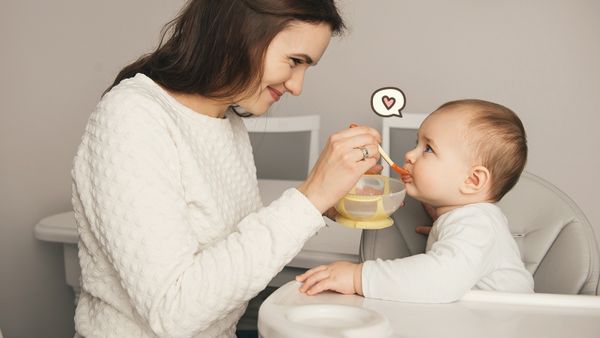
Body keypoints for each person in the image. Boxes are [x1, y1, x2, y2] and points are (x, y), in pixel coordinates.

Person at [71, 1, 383, 337]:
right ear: (239, 33)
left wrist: (323, 203)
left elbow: (227, 249)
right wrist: (309, 198)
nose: (297, 86)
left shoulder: (225, 120)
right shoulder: (131, 118)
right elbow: (173, 311)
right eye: (295, 61)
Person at [296, 99, 535, 303]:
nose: (410, 155)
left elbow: (439, 280)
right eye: (416, 144)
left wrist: (358, 277)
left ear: (472, 180)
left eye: (428, 149)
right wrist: (444, 230)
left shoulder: (476, 226)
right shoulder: (470, 221)